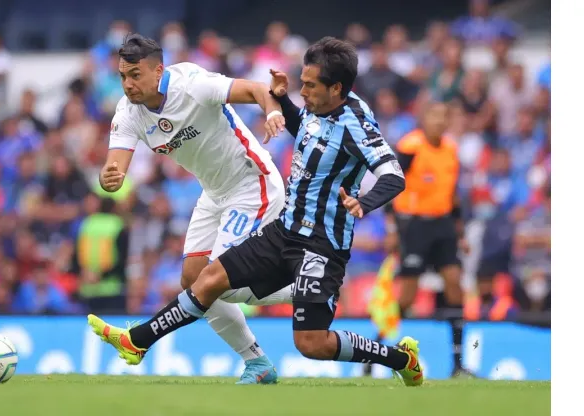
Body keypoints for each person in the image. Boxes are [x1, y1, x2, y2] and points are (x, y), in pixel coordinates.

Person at [90, 36, 425, 387]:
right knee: (203, 279)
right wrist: (280, 100)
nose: (303, 91)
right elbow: (303, 128)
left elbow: (393, 175)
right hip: (282, 227)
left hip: (313, 237)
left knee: (310, 344)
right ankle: (140, 342)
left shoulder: (355, 123)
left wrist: (364, 203)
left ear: (336, 87)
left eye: (309, 85)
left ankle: (398, 357)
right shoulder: (317, 107)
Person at [94, 34, 295, 384]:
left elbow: (256, 90)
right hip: (213, 193)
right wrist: (108, 177)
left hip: (251, 184)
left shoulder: (192, 84)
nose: (128, 84)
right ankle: (258, 364)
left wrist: (273, 110)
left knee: (214, 283)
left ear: (158, 71)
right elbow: (114, 167)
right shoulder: (128, 113)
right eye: (123, 75)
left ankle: (307, 287)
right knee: (192, 281)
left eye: (136, 75)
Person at [385, 101, 474, 378]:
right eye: (434, 116)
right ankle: (377, 350)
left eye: (443, 117)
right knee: (408, 296)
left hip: (443, 225)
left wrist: (460, 232)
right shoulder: (411, 146)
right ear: (424, 119)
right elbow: (391, 180)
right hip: (415, 226)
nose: (439, 121)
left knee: (454, 286)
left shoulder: (451, 150)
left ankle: (458, 363)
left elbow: (452, 193)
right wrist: (392, 226)